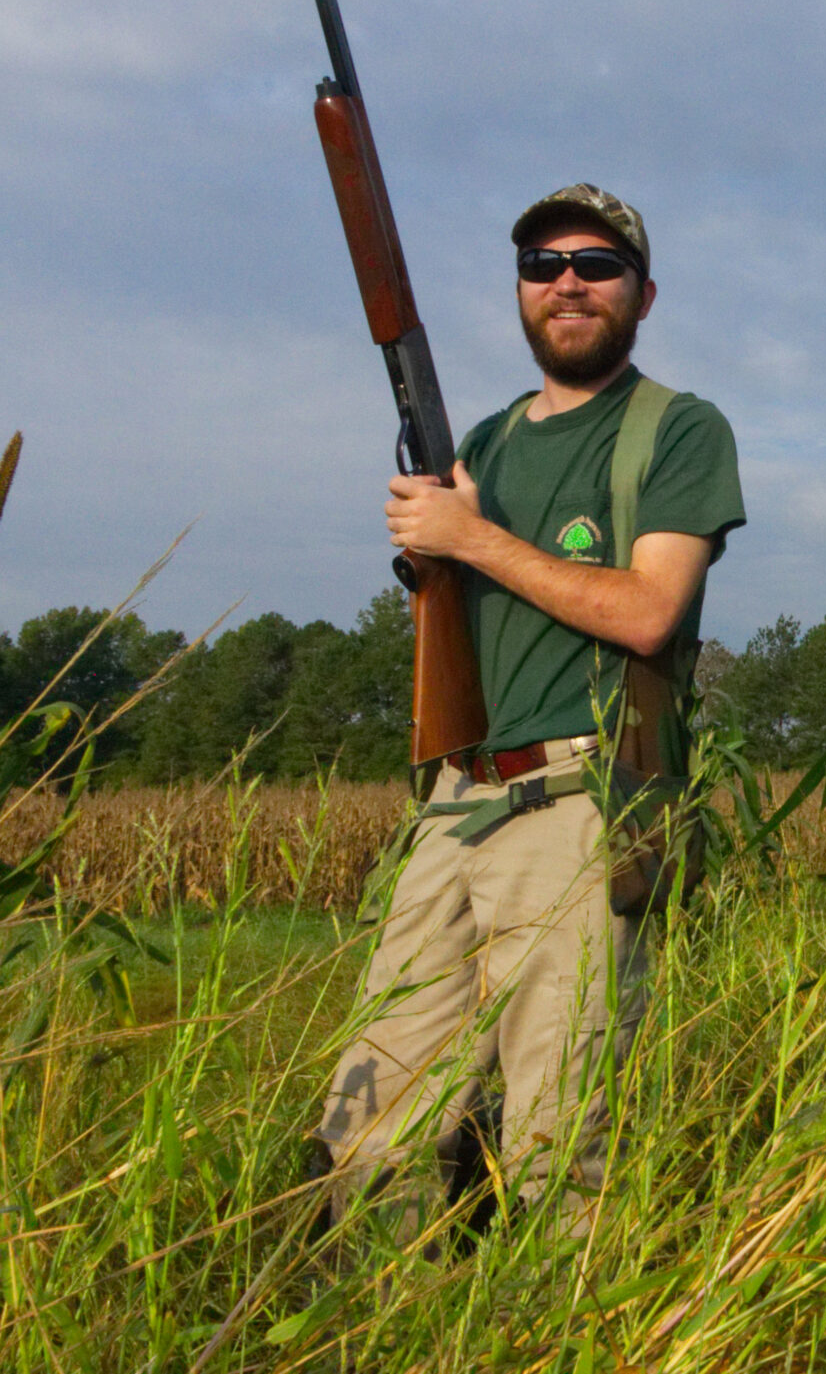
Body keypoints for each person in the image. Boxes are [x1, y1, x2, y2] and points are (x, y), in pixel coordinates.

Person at [315, 182, 744, 1237]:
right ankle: (386, 1326)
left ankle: (564, 1330)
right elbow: (455, 602)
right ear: (519, 292)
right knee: (365, 1123)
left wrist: (469, 540)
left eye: (598, 267)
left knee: (564, 1139)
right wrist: (433, 552)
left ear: (643, 297)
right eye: (543, 263)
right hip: (455, 806)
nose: (567, 283)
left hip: (579, 806)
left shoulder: (677, 432)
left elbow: (647, 610)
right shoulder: (491, 442)